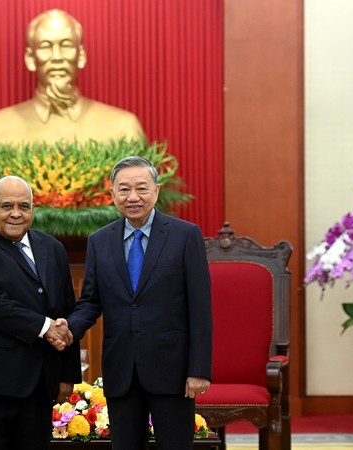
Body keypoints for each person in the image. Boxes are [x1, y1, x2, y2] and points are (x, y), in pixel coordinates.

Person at [62, 156, 212, 450]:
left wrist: (199, 369)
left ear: (156, 191)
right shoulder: (99, 241)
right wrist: (67, 328)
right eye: (124, 189)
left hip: (174, 371)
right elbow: (91, 302)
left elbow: (200, 307)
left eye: (142, 188)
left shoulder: (185, 236)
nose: (133, 197)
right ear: (112, 195)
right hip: (122, 370)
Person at [0, 175, 81, 450]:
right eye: (7, 206)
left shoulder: (52, 248)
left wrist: (68, 373)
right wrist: (45, 327)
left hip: (39, 383)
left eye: (24, 206)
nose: (16, 214)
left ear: (33, 209)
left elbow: (66, 308)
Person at [0, 9, 145, 146]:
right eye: (46, 46)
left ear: (81, 55)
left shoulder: (124, 128)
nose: (56, 56)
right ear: (30, 59)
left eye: (66, 45)